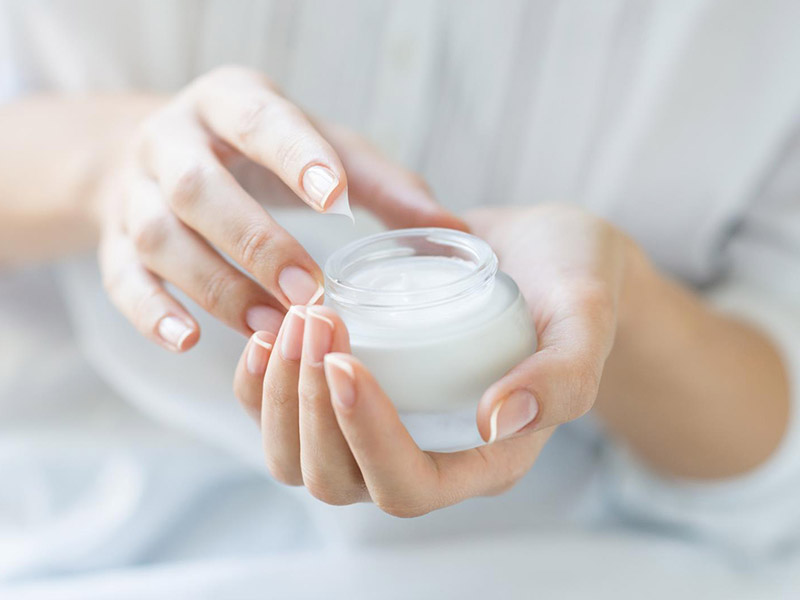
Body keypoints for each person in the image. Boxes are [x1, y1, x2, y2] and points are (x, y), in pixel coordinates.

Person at [2, 0, 800, 590]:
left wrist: (614, 303)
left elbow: (775, 447)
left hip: (581, 562)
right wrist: (111, 164)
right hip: (85, 534)